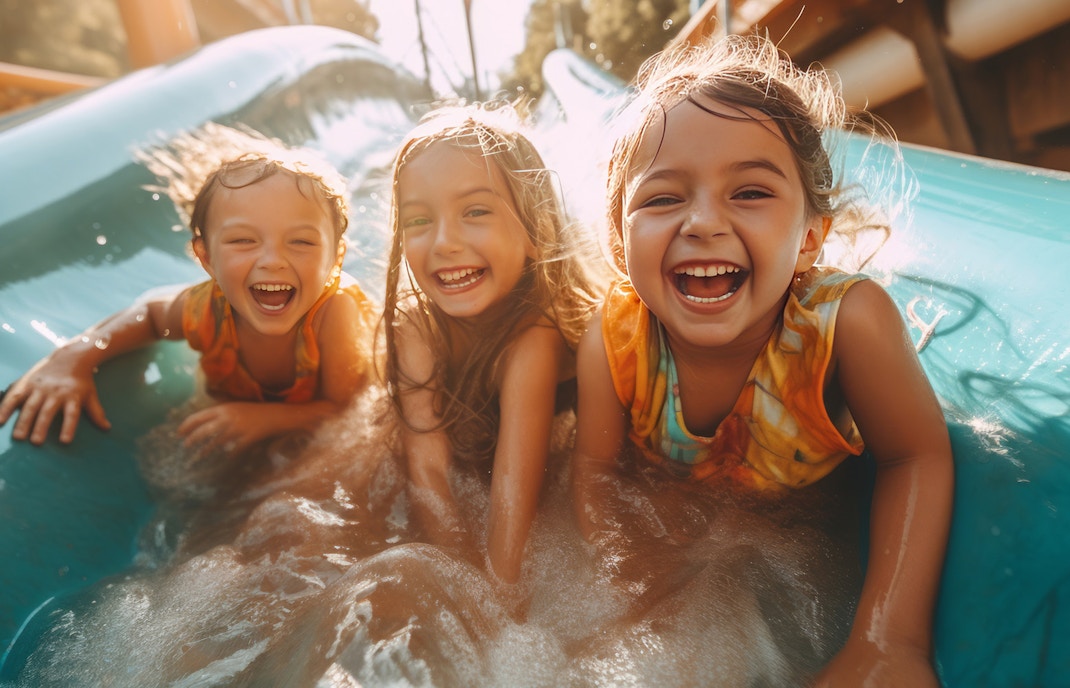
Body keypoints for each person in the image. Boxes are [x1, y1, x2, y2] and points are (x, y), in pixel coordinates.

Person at [571, 33, 954, 687]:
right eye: (662, 199)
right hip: (692, 536)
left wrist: (890, 638)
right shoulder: (612, 344)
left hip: (805, 539)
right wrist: (628, 567)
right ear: (618, 239)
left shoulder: (847, 325)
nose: (702, 222)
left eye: (749, 193)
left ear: (810, 238)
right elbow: (595, 477)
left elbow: (915, 457)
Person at [0, 123, 376, 455]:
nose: (272, 260)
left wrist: (267, 419)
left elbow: (347, 409)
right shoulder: (206, 308)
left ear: (336, 258)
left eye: (302, 242)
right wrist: (75, 357)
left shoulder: (334, 312)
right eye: (244, 240)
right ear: (206, 257)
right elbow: (150, 315)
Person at [382, 102, 604, 586]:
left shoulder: (536, 337)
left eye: (475, 211)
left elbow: (512, 500)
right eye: (419, 220)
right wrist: (458, 577)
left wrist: (496, 598)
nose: (444, 241)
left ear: (535, 233)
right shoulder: (416, 328)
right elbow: (428, 468)